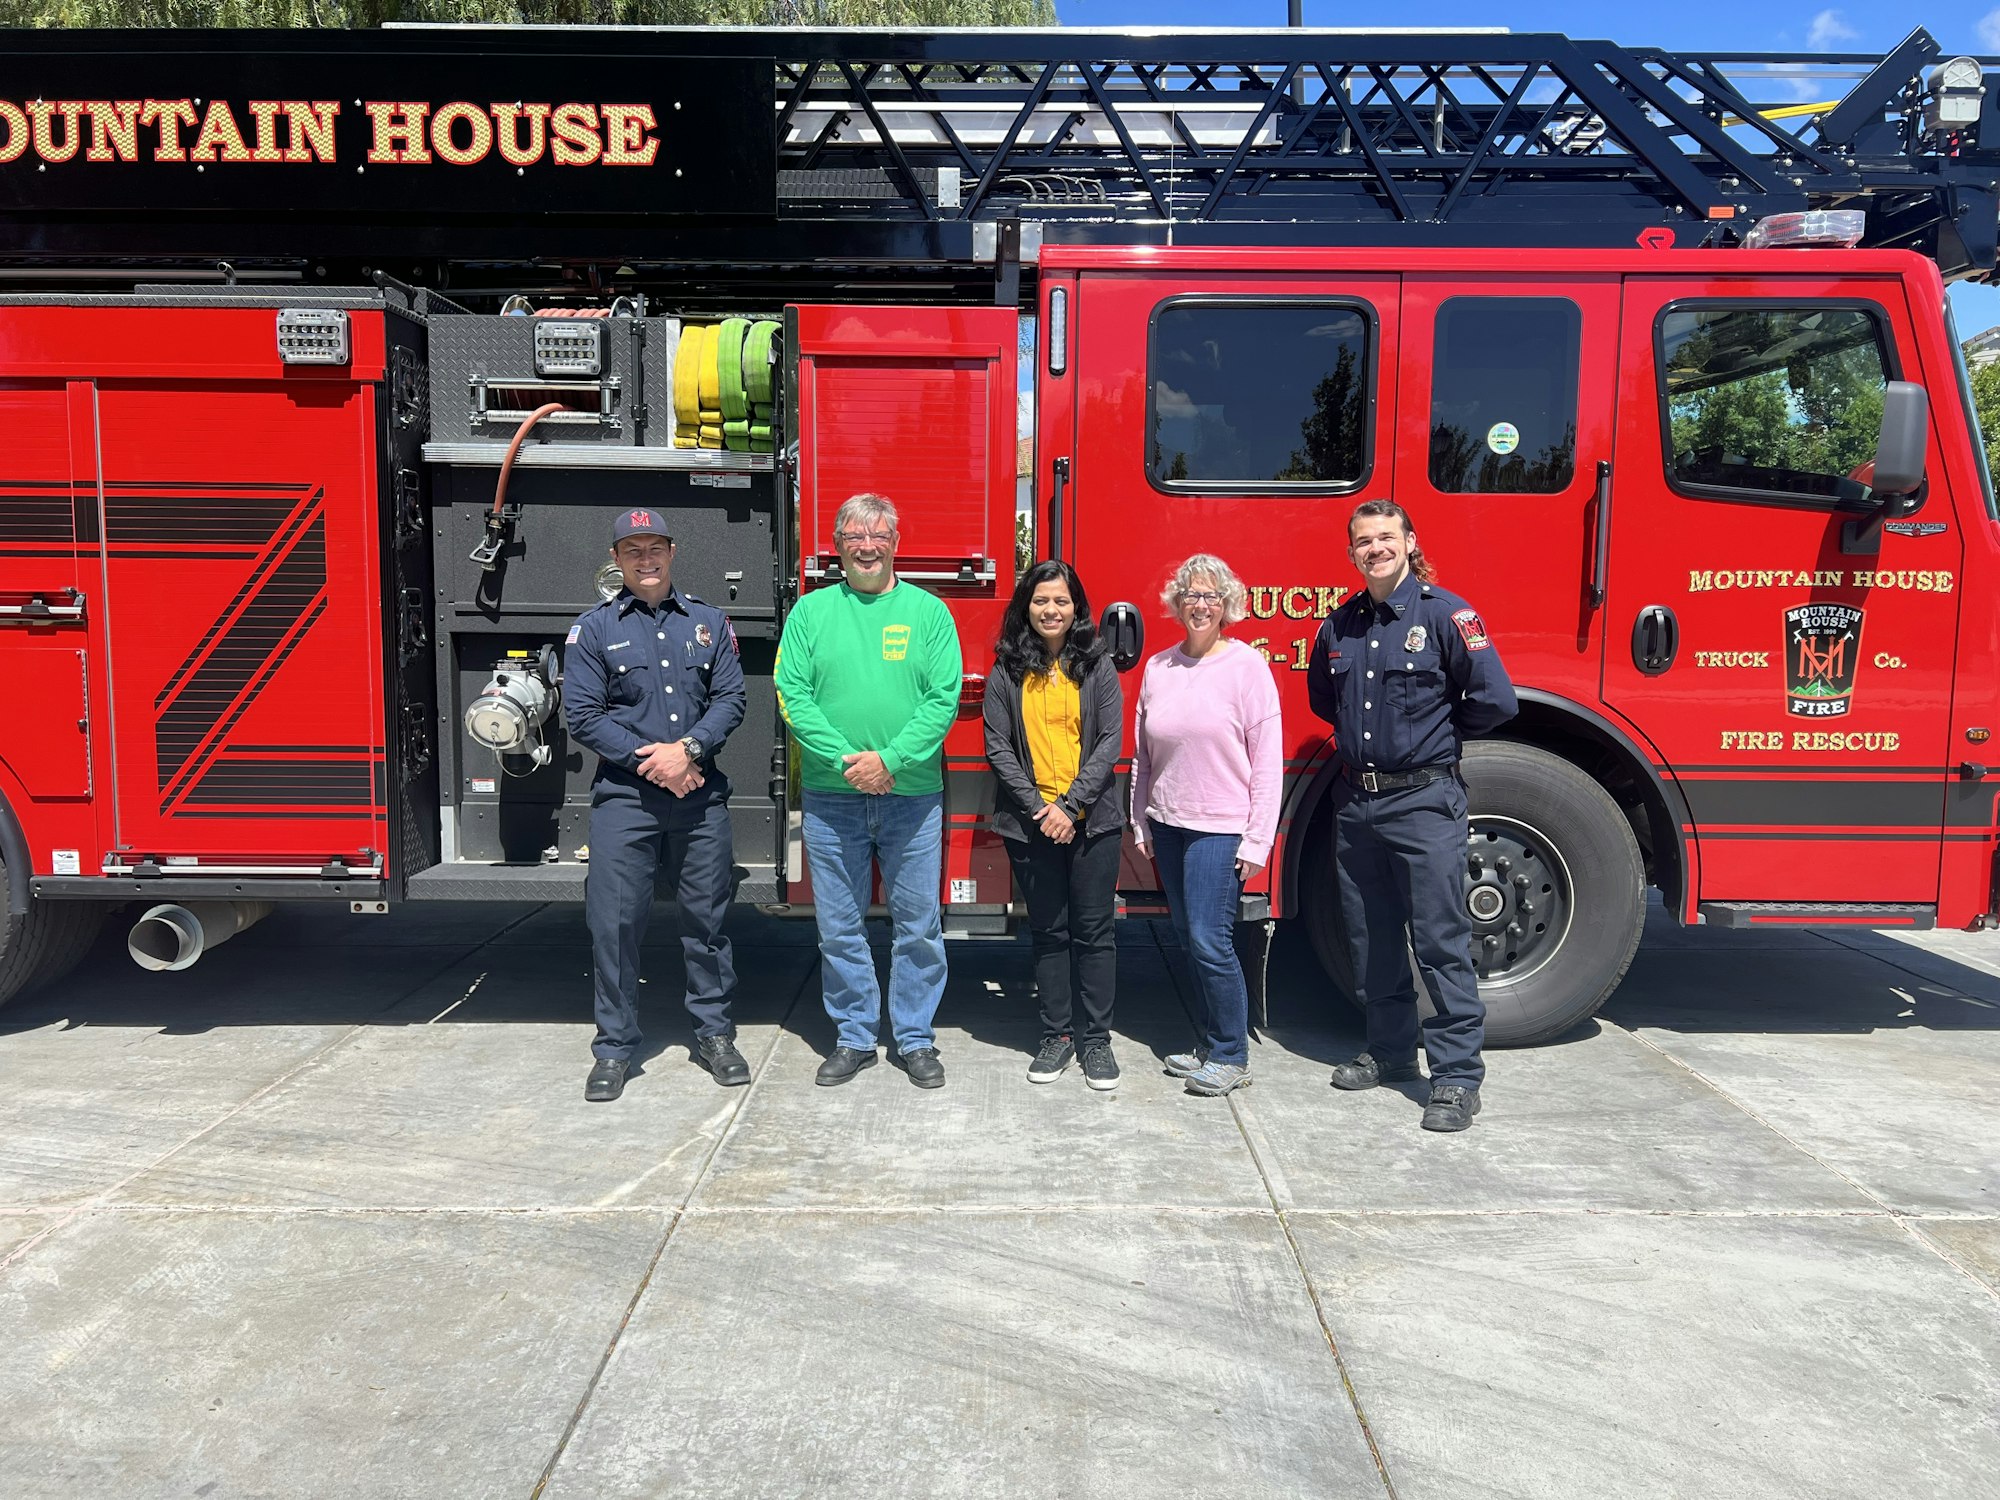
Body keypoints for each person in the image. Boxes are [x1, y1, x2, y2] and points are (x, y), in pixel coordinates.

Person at [1307, 500, 1518, 1133]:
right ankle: (1392, 1052)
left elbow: (1493, 701)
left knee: (1439, 940)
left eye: (1385, 538)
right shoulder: (1337, 627)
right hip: (1357, 802)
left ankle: (1455, 1078)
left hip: (1425, 801)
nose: (1375, 549)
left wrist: (1430, 743)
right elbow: (1324, 699)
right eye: (1363, 541)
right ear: (1351, 553)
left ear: (1409, 542)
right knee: (1371, 938)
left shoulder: (1449, 615)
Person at [774, 493, 963, 1089]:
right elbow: (791, 693)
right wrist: (844, 760)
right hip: (833, 798)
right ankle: (855, 1036)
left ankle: (914, 1039)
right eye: (854, 535)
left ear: (895, 543)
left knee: (918, 925)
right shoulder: (809, 612)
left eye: (878, 535)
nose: (866, 546)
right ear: (837, 544)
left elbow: (944, 698)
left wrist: (891, 760)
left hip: (912, 797)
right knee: (839, 925)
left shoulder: (930, 613)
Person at [565, 508, 748, 1103]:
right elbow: (584, 716)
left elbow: (731, 699)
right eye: (633, 550)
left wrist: (688, 751)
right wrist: (659, 763)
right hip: (626, 799)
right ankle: (615, 1048)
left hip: (699, 795)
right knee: (614, 926)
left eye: (655, 548)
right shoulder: (593, 629)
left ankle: (715, 1036)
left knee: (708, 923)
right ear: (616, 560)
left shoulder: (709, 621)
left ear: (673, 551)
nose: (646, 560)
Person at [1131, 554, 1282, 1098]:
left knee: (1209, 939)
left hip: (1220, 828)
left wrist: (1258, 838)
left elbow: (1266, 761)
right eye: (1191, 595)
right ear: (1177, 603)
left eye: (1211, 596)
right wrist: (1141, 819)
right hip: (1168, 824)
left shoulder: (1247, 668)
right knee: (1185, 937)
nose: (1200, 605)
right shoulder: (1159, 668)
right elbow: (1143, 754)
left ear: (1227, 606)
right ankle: (1211, 1042)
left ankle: (1231, 1054)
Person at [984, 560, 1126, 1090]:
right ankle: (1057, 1036)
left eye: (1061, 601)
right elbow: (997, 746)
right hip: (1031, 823)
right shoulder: (1007, 668)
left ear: (1076, 608)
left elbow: (1109, 740)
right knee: (1048, 933)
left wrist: (1070, 806)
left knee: (1094, 933)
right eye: (1041, 600)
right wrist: (1043, 810)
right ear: (1026, 607)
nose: (1051, 610)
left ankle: (1097, 1042)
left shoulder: (1098, 664)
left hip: (1092, 822)